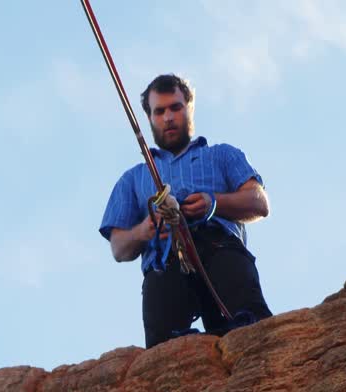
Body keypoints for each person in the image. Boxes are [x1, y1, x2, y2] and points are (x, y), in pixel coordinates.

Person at [99, 74, 273, 349]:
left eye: (175, 108)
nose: (168, 117)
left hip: (220, 249)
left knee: (253, 330)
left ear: (189, 107)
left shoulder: (222, 155)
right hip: (164, 265)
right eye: (159, 111)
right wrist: (144, 230)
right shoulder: (132, 179)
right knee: (163, 352)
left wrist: (213, 202)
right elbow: (119, 248)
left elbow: (259, 202)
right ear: (150, 118)